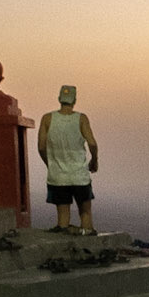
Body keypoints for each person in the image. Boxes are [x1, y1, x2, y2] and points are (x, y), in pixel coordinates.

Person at [36, 85, 99, 233]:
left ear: (59, 99)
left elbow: (41, 147)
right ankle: (86, 234)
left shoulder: (47, 119)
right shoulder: (81, 119)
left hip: (58, 177)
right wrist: (94, 160)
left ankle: (65, 233)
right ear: (74, 100)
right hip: (79, 176)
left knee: (63, 220)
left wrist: (50, 164)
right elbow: (92, 143)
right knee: (85, 213)